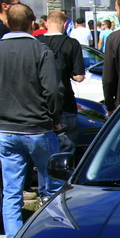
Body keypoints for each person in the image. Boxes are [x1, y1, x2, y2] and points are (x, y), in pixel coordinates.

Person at [0, 3, 62, 238]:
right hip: (39, 128)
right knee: (52, 188)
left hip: (8, 129)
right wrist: (54, 118)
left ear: (7, 23)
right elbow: (53, 91)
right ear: (33, 23)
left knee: (12, 191)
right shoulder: (40, 51)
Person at [38, 10, 85, 149]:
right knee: (66, 150)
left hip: (40, 106)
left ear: (46, 23)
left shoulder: (36, 42)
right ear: (64, 24)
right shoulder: (72, 43)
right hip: (66, 103)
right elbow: (79, 76)